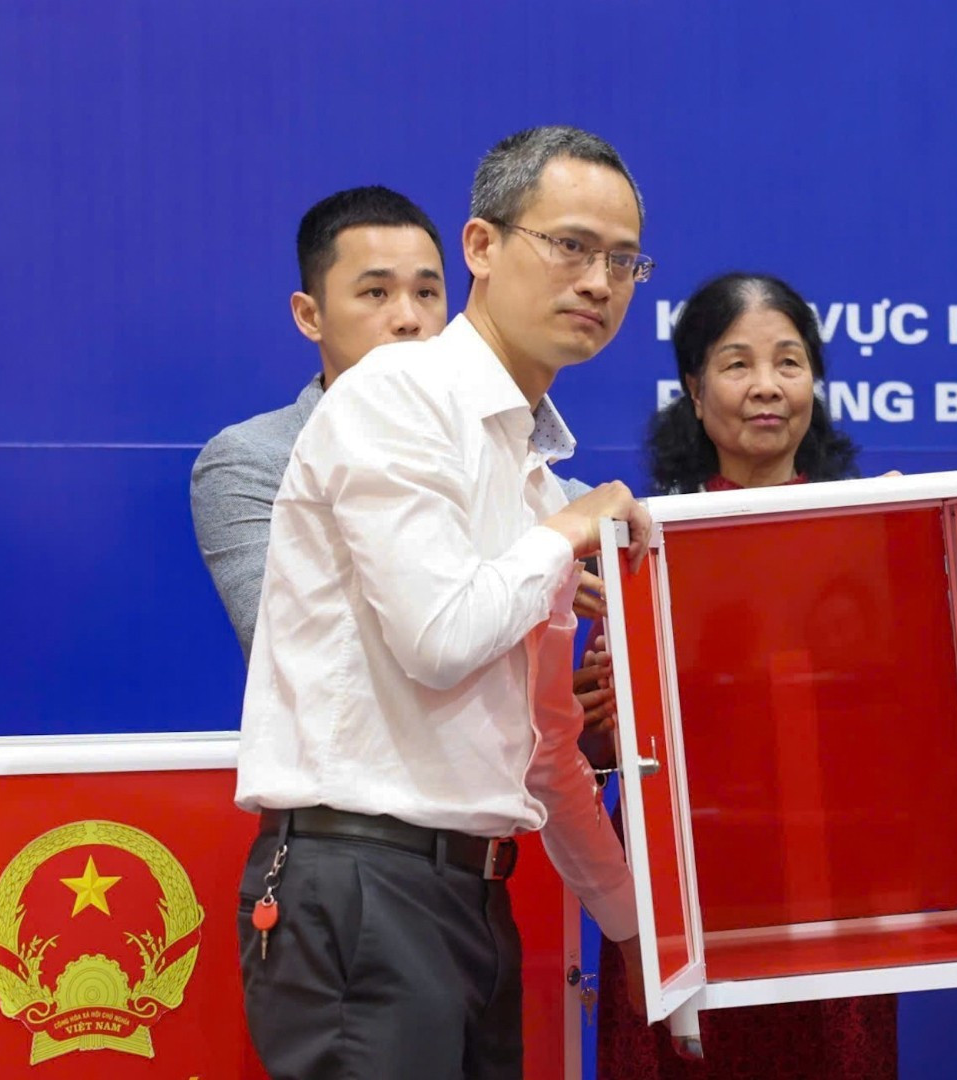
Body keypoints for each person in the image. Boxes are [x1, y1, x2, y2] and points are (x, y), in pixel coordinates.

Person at [234, 125, 658, 1080]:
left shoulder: (542, 486)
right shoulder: (399, 393)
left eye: (623, 260)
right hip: (360, 884)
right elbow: (436, 638)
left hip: (475, 898)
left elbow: (549, 752)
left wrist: (644, 936)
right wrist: (562, 536)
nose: (598, 280)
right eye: (571, 245)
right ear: (481, 247)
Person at [594, 272, 894, 1080]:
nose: (766, 387)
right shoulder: (637, 548)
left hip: (829, 883)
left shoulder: (871, 536)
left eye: (788, 362)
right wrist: (603, 706)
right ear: (694, 391)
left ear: (814, 383)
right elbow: (596, 743)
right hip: (681, 884)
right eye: (736, 364)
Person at [191, 185, 447, 656]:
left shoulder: (492, 442)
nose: (410, 318)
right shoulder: (253, 460)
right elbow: (290, 651)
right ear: (310, 316)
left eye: (427, 292)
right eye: (377, 292)